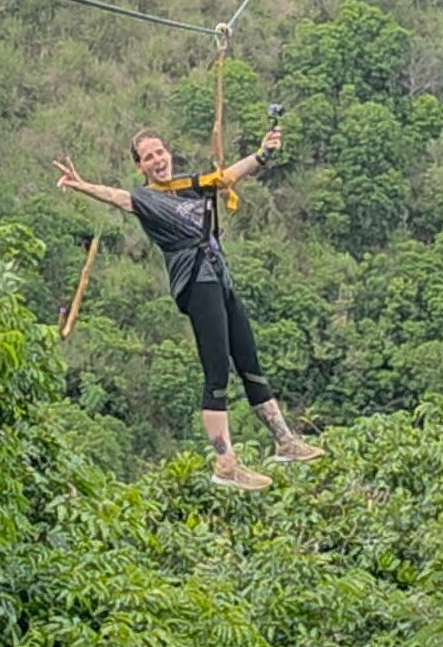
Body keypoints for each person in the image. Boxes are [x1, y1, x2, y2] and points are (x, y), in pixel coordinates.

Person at [53, 126, 324, 491]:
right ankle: (225, 462)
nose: (158, 160)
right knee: (217, 372)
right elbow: (118, 198)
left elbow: (227, 176)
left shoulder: (189, 185)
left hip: (220, 275)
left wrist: (263, 154)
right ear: (140, 167)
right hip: (196, 281)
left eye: (160, 152)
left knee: (249, 361)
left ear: (169, 153)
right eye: (148, 157)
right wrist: (81, 184)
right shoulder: (147, 198)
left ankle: (285, 440)